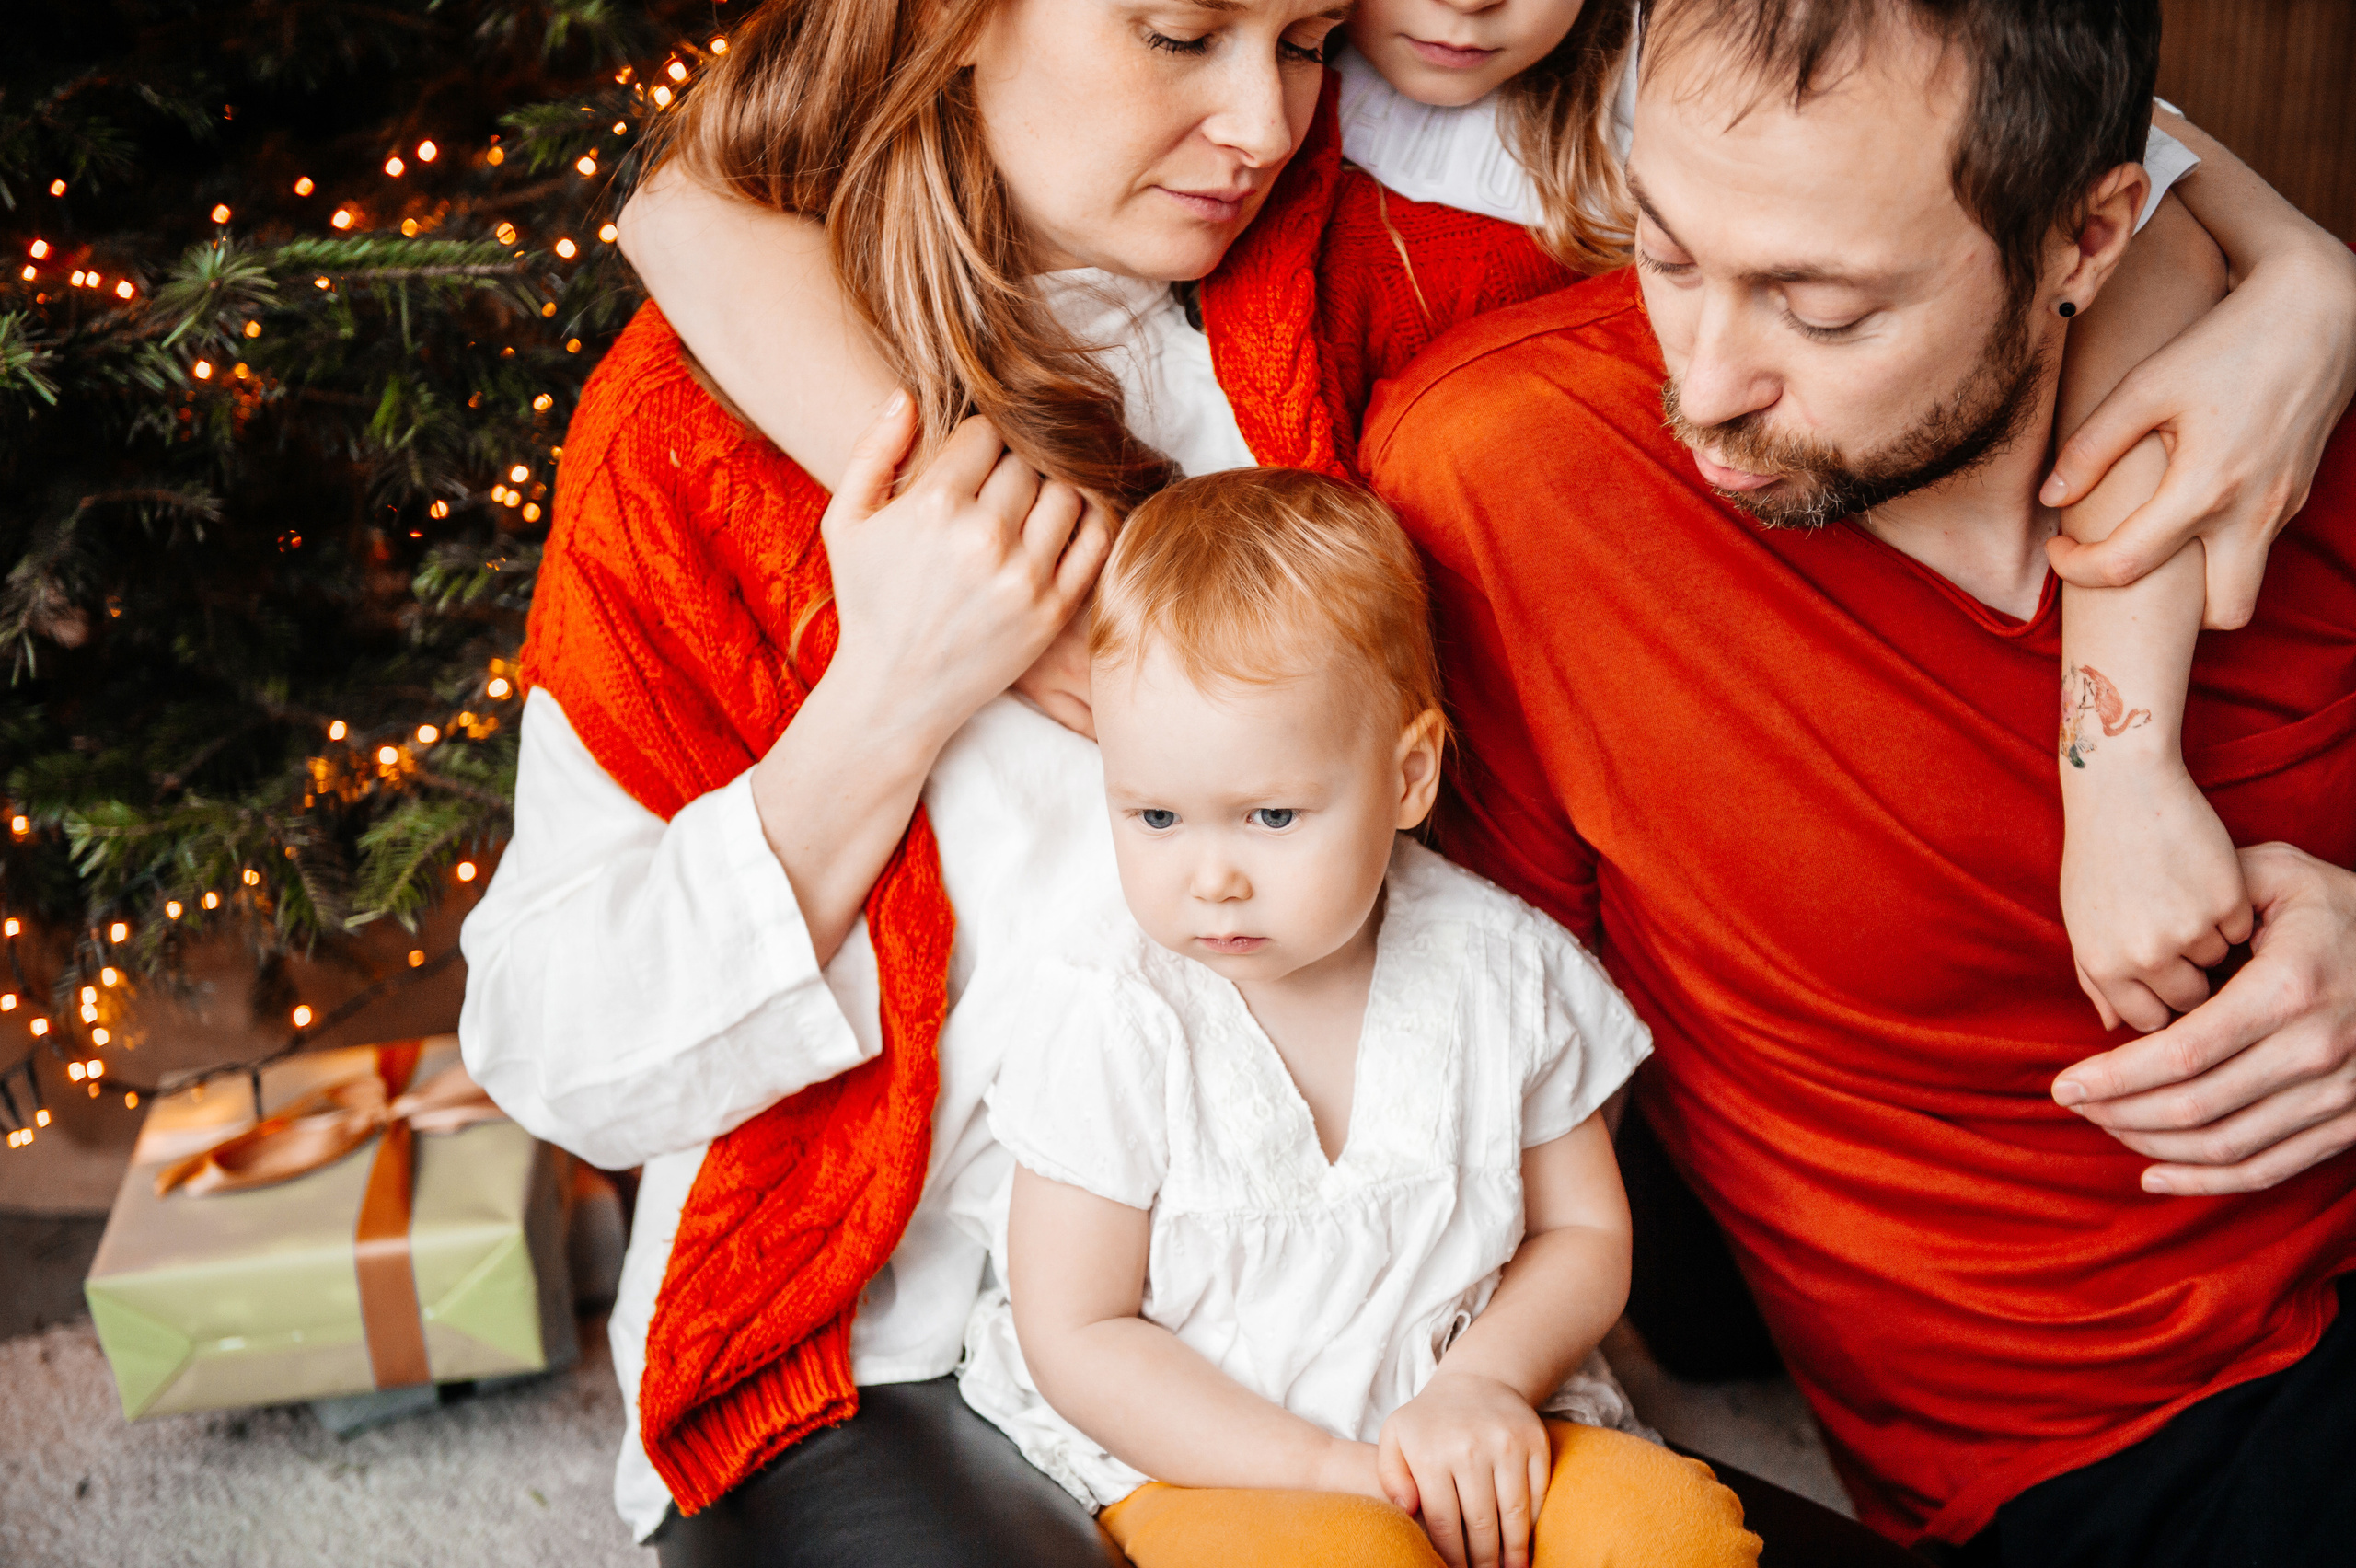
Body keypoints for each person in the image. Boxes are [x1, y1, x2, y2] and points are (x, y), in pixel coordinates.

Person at [626, 0, 2356, 1043]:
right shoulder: (1264, 115)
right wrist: (1009, 568)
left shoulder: (1655, 73)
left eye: (1294, 40)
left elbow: (2102, 170)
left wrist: (2302, 280)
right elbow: (692, 207)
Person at [458, 0, 1589, 1562]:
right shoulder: (691, 432)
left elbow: (1728, 305)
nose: (1264, 122)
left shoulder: (1339, 303)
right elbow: (555, 1047)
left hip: (1334, 1306)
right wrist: (887, 699)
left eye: (1310, 40)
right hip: (900, 1348)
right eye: (1180, 35)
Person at [1361, 0, 2356, 1561]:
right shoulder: (1521, 485)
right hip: (2118, 1440)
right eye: (1670, 253)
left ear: (2085, 235)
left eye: (1823, 312)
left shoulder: (2292, 412)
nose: (1708, 379)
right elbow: (1461, 1056)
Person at [958, 467, 1759, 1568]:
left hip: (1473, 1414)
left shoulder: (1500, 971)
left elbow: (1583, 1233)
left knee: (1670, 1536)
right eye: (1154, 815)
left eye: (1271, 814)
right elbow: (1078, 1332)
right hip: (1208, 1457)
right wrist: (1335, 1474)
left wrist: (1482, 1385)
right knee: (1352, 1560)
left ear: (1408, 776)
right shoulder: (1111, 1012)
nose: (1211, 878)